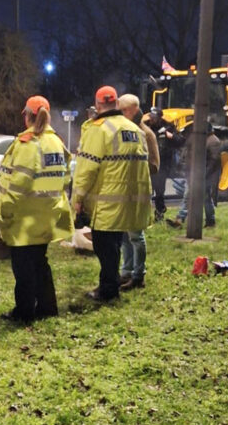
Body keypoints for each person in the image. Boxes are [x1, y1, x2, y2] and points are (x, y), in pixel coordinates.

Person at [71, 86, 152, 302]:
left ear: (98, 105)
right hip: (129, 201)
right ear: (116, 103)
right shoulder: (135, 130)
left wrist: (77, 199)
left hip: (106, 202)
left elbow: (86, 169)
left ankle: (108, 289)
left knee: (104, 247)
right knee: (115, 244)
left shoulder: (97, 130)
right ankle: (112, 283)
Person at [0, 95, 72, 323]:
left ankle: (24, 311)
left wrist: (5, 212)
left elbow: (18, 186)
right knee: (39, 261)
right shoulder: (56, 142)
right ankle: (48, 307)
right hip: (47, 215)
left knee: (23, 266)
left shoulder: (27, 144)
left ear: (28, 115)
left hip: (24, 217)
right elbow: (66, 178)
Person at [116, 94, 159, 291]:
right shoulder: (125, 133)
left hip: (137, 190)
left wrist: (135, 167)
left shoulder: (146, 134)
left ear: (131, 111)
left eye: (122, 111)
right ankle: (126, 271)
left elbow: (155, 165)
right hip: (124, 190)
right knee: (125, 235)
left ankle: (138, 275)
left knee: (136, 235)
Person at [168, 122, 220, 229]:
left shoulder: (213, 141)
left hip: (203, 175)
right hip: (194, 173)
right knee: (196, 197)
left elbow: (213, 161)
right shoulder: (199, 139)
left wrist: (204, 174)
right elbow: (187, 152)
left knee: (200, 197)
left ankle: (181, 219)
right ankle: (209, 220)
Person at [144, 108, 186, 222]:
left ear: (159, 118)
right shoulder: (145, 125)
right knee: (146, 190)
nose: (151, 119)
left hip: (161, 164)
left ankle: (159, 213)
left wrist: (171, 136)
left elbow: (181, 141)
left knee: (159, 191)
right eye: (150, 117)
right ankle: (144, 215)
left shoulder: (168, 127)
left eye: (153, 118)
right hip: (146, 162)